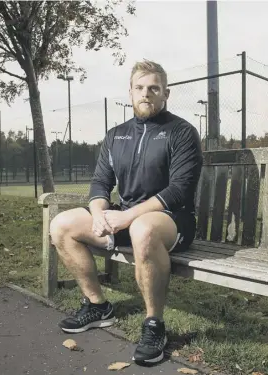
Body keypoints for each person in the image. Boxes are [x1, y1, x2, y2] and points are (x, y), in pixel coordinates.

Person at [49, 60, 203, 365]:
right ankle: (97, 306)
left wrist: (127, 217)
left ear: (166, 93)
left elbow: (178, 190)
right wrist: (98, 214)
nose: (146, 93)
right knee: (61, 224)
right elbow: (100, 184)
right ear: (130, 92)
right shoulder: (116, 135)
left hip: (172, 219)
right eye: (140, 88)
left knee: (142, 229)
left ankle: (154, 324)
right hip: (126, 216)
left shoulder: (182, 132)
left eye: (153, 88)